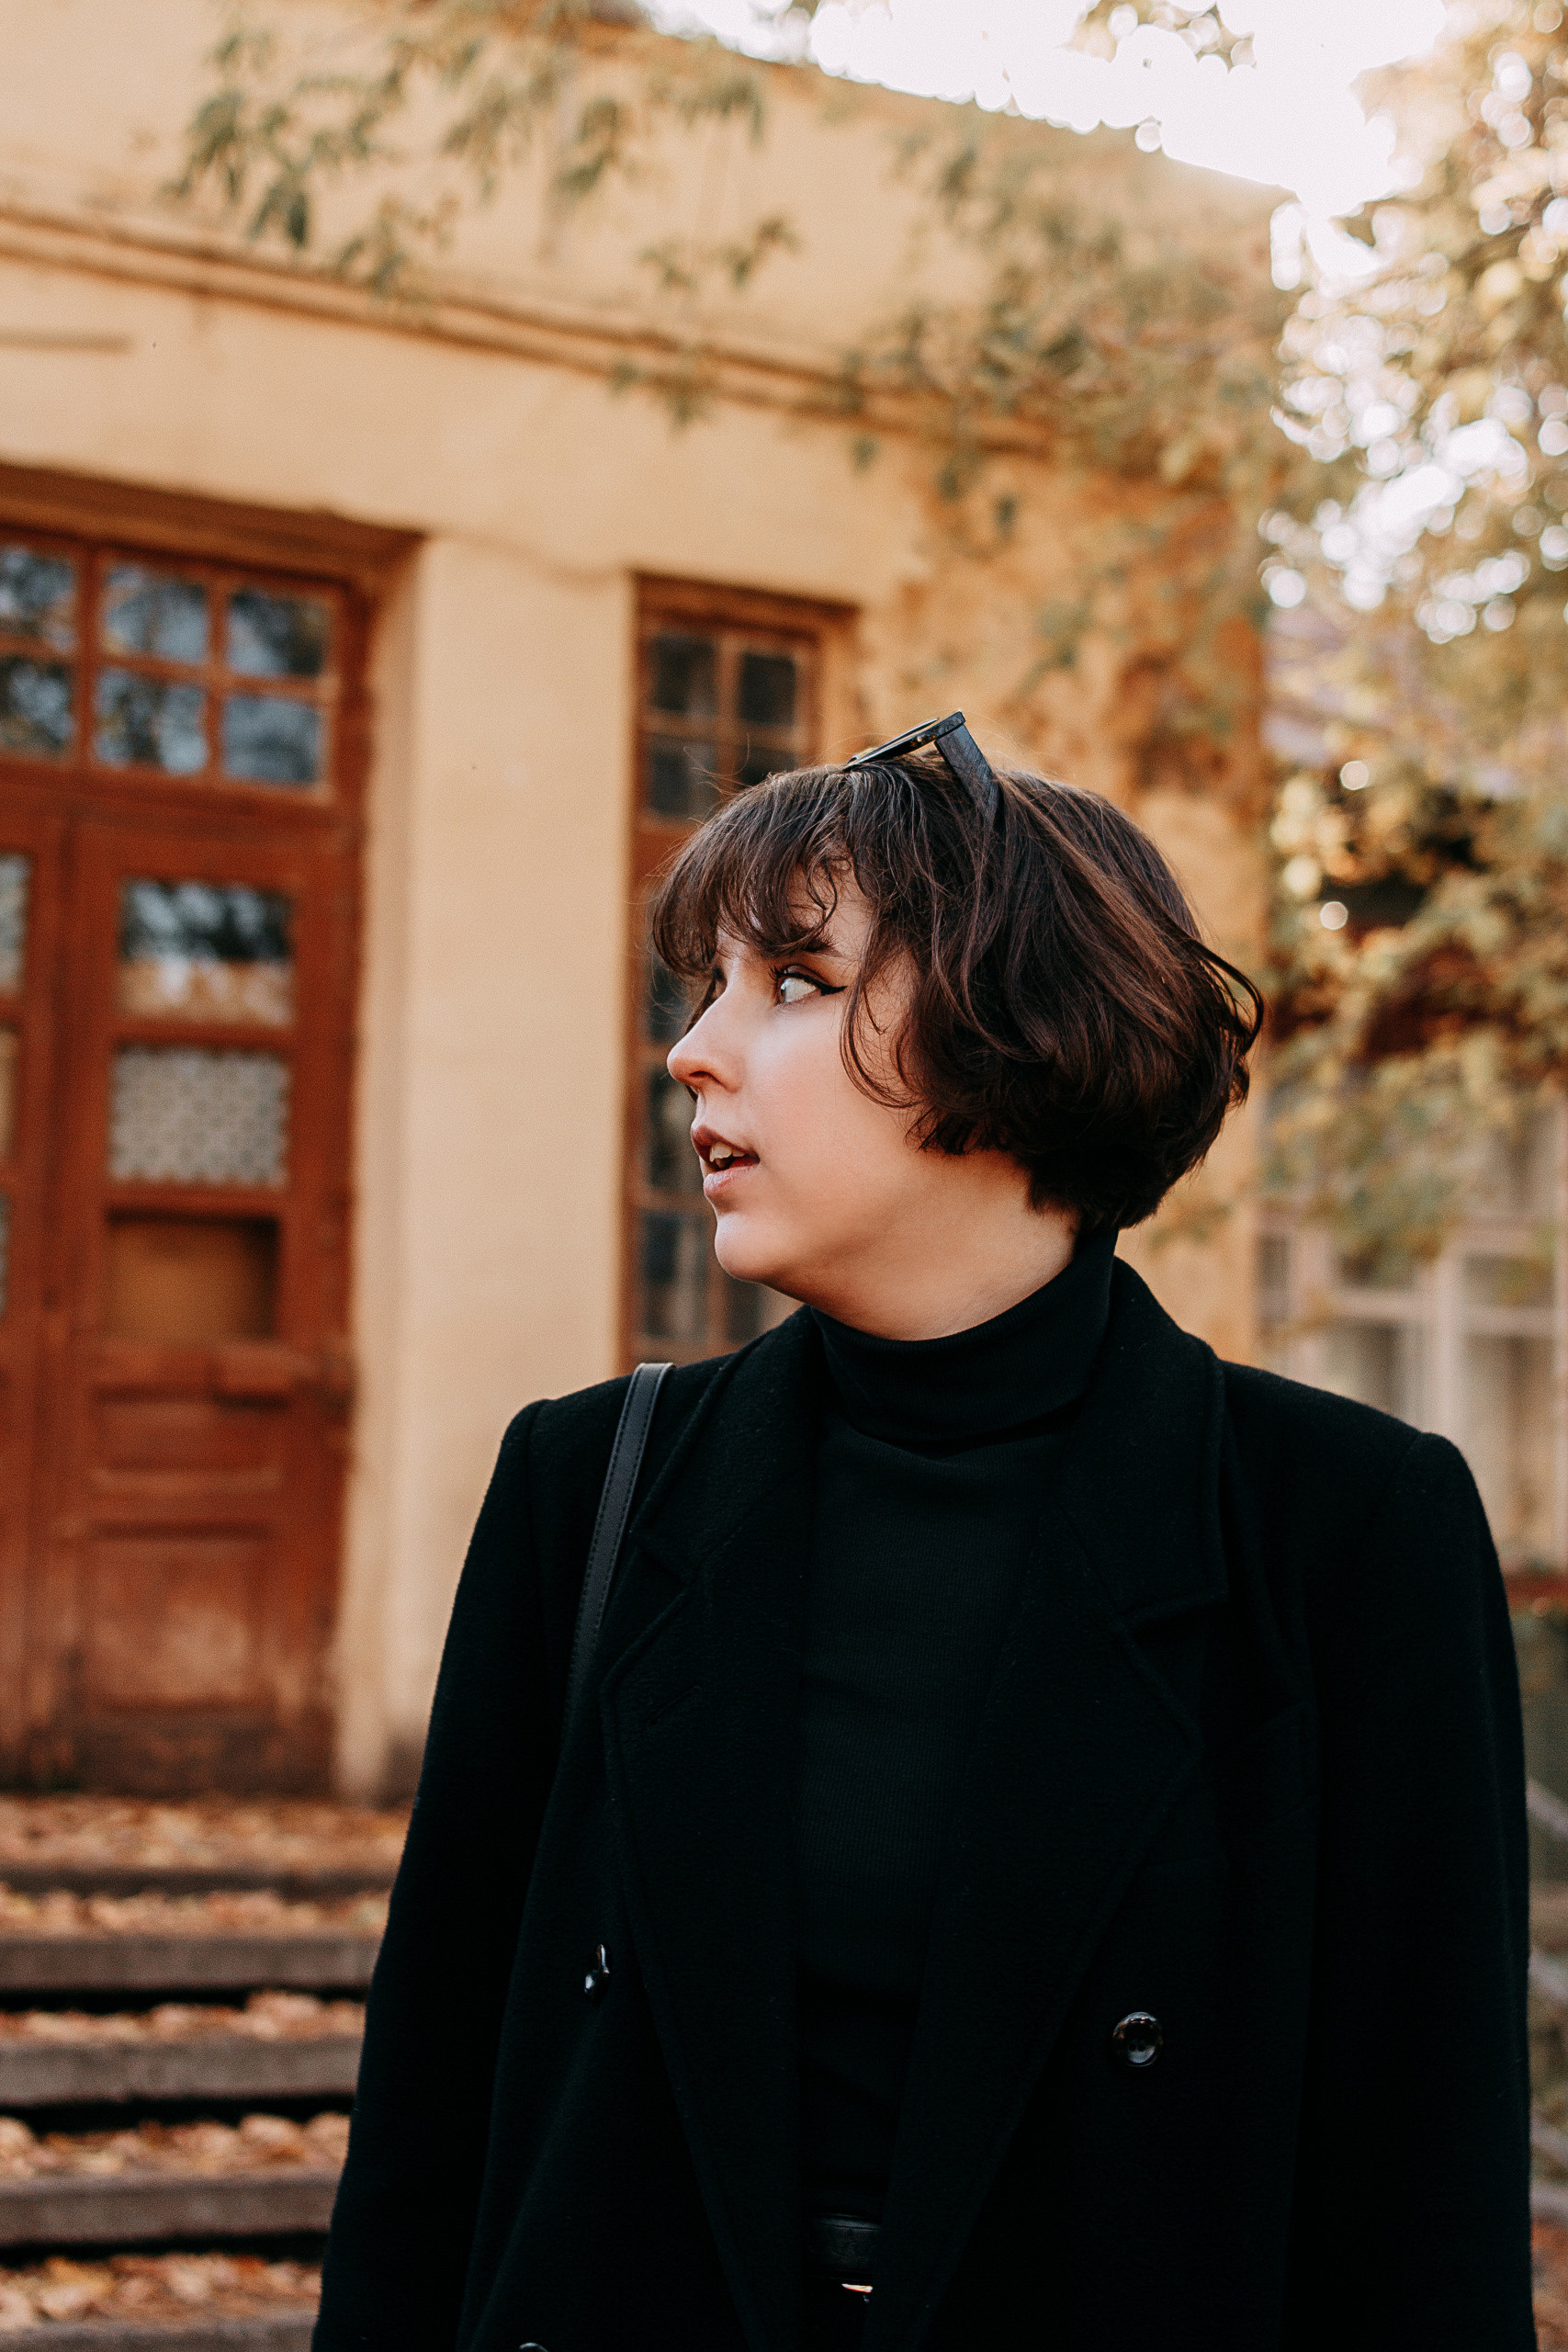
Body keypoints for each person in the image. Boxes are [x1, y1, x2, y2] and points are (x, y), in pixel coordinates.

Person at [312, 720, 1533, 2352]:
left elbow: (1426, 2202)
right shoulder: (588, 1484)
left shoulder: (1348, 1531)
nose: (695, 1053)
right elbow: (429, 2129)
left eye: (794, 981)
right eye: (706, 989)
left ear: (1016, 1025)